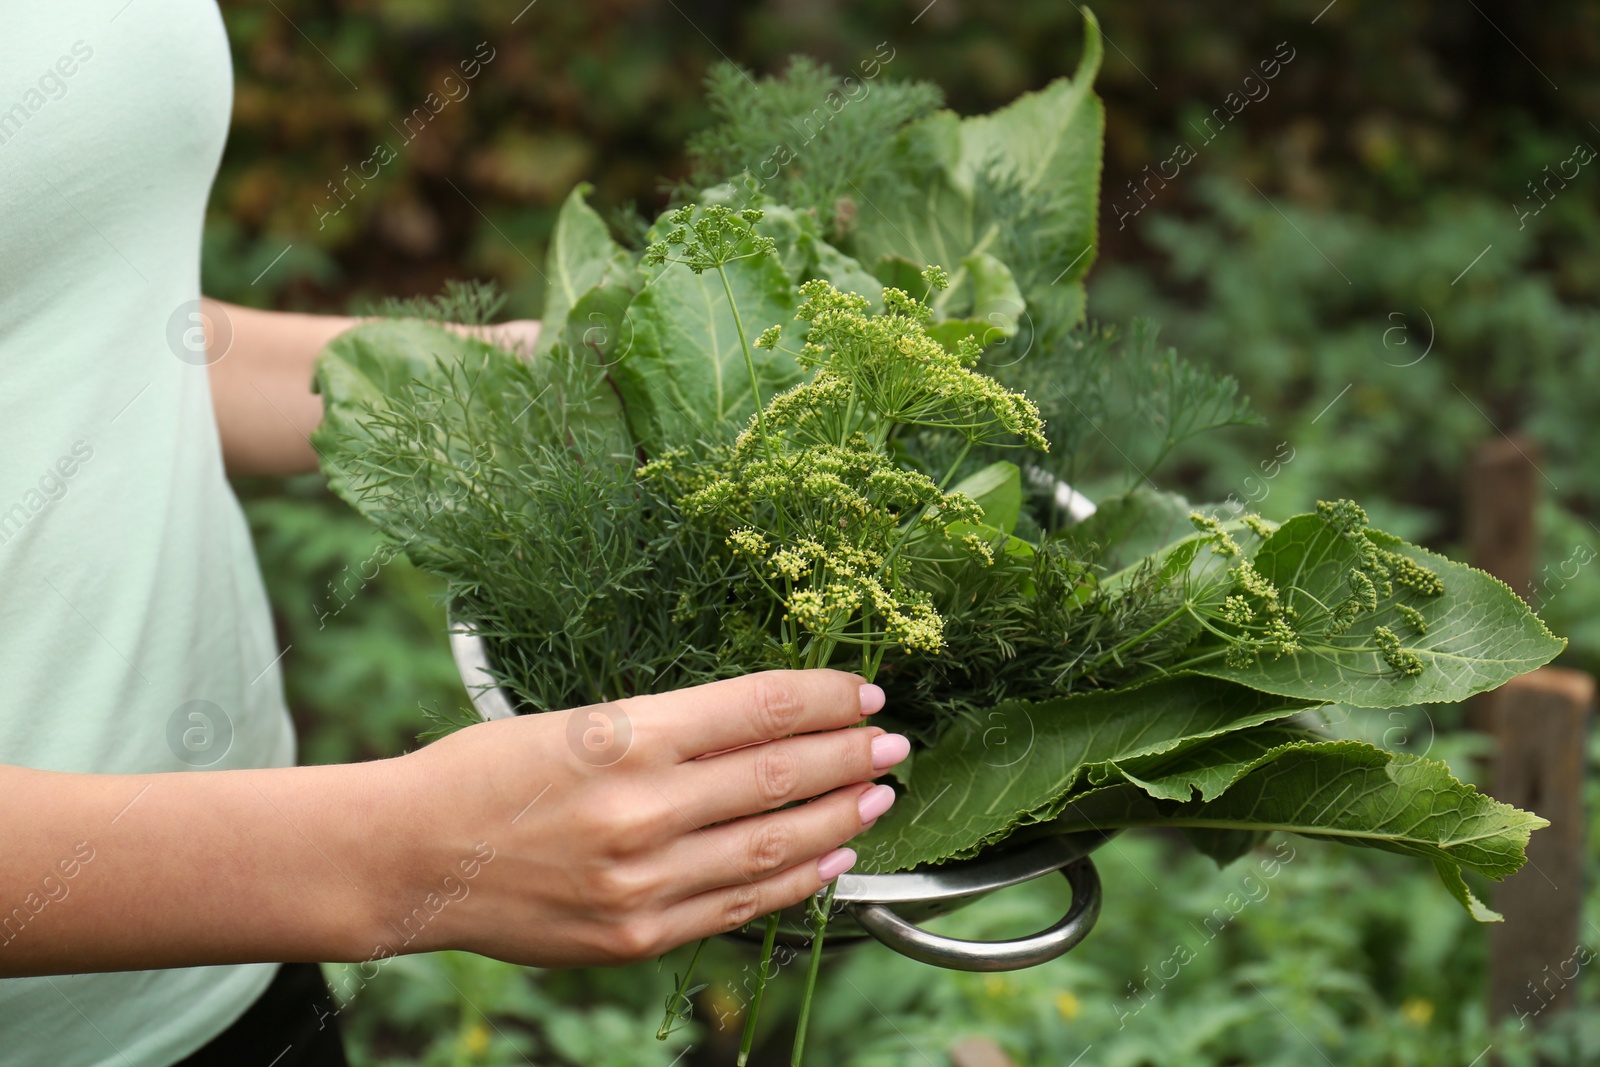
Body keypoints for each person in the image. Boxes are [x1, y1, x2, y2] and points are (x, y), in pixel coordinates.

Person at [0, 3, 907, 1064]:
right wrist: (391, 859)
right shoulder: (361, 867)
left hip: (229, 972)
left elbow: (74, 325)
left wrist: (522, 376)